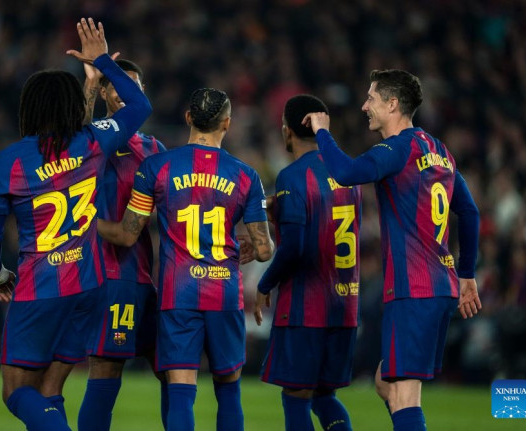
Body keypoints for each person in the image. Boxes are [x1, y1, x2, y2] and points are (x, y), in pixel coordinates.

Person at [0, 18, 151, 431]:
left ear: (30, 108)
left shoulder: (10, 160)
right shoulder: (93, 141)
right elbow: (140, 107)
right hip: (88, 285)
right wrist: (103, 61)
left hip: (39, 287)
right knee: (48, 390)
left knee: (15, 392)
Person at [303, 69, 482, 431]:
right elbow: (469, 212)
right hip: (439, 286)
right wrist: (466, 275)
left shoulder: (397, 148)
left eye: (371, 98)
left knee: (402, 394)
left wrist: (322, 131)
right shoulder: (439, 150)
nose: (364, 106)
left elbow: (346, 173)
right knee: (386, 382)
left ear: (392, 104)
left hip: (413, 289)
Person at [97, 88, 274, 431]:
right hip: (224, 293)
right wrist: (252, 246)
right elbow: (264, 249)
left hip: (179, 293)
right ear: (227, 123)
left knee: (180, 392)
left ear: (189, 118)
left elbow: (127, 234)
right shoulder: (245, 175)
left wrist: (85, 221)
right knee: (229, 390)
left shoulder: (156, 167)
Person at [39, 57, 169, 431]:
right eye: (117, 83)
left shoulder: (155, 147)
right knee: (107, 366)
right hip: (107, 271)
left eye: (134, 85)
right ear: (107, 92)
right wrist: (92, 83)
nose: (127, 91)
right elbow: (73, 138)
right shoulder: (94, 139)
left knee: (171, 369)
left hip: (142, 273)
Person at [254, 94, 361, 431]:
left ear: (287, 129)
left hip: (307, 307)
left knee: (296, 395)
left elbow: (295, 247)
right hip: (345, 305)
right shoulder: (348, 172)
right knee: (324, 396)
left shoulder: (292, 176)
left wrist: (265, 283)